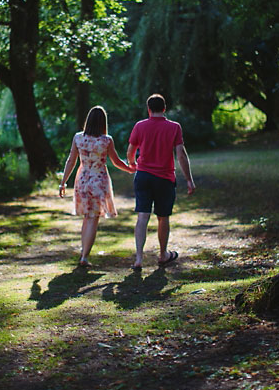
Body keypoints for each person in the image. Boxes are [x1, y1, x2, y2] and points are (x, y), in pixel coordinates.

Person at [59, 106, 136, 267]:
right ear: (103, 122)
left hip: (82, 180)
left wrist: (63, 182)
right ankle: (85, 257)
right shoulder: (106, 140)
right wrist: (130, 168)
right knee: (93, 218)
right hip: (98, 181)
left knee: (87, 217)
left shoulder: (78, 138)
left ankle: (83, 252)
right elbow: (116, 161)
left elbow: (71, 161)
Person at [126, 94, 196, 269]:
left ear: (149, 109)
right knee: (163, 217)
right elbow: (181, 154)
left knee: (143, 216)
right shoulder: (174, 127)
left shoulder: (140, 126)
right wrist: (189, 180)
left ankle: (139, 259)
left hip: (143, 176)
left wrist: (133, 163)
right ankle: (163, 254)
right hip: (164, 178)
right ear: (164, 108)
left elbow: (131, 150)